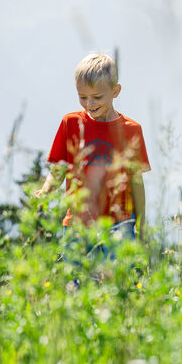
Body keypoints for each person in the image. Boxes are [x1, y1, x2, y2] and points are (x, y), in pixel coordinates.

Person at [35, 53, 150, 253]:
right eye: (82, 97)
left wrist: (141, 224)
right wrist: (45, 190)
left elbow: (136, 183)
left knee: (117, 282)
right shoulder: (70, 123)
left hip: (120, 226)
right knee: (77, 282)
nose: (89, 104)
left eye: (97, 97)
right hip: (77, 225)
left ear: (116, 91)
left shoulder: (132, 130)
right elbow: (59, 169)